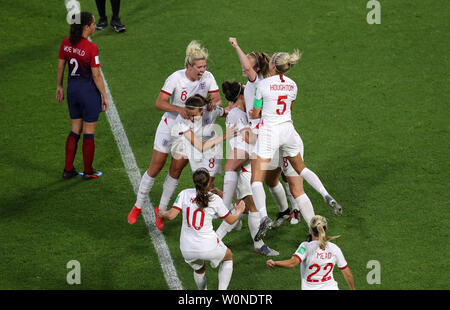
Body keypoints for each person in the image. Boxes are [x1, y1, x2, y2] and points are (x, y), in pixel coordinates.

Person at [127, 40, 222, 230]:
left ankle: (161, 210)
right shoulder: (176, 78)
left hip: (189, 129)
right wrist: (179, 109)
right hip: (171, 124)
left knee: (176, 170)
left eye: (204, 66)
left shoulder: (208, 77)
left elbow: (217, 97)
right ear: (189, 65)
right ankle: (138, 205)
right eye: (199, 67)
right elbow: (159, 102)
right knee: (156, 166)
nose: (203, 70)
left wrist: (213, 103)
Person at [250, 49, 343, 240]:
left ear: (273, 65)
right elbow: (288, 108)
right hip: (289, 133)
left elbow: (255, 113)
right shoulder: (293, 85)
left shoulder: (263, 84)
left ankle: (263, 217)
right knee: (301, 172)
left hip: (270, 133)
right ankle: (326, 195)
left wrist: (254, 112)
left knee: (256, 179)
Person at [215, 80, 280, 256]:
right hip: (243, 168)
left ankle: (219, 237)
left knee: (246, 208)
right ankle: (219, 239)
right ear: (241, 96)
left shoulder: (239, 112)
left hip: (247, 165)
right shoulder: (236, 115)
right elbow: (250, 139)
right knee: (251, 209)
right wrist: (264, 130)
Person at [158, 168, 245, 290]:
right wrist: (239, 211)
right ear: (209, 181)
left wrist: (162, 214)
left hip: (187, 248)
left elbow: (171, 215)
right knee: (228, 257)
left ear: (194, 181)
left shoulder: (184, 193)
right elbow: (230, 220)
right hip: (208, 245)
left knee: (199, 269)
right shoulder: (214, 199)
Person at [57, 11, 109, 180]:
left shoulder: (66, 43)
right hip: (88, 94)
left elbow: (60, 66)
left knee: (74, 129)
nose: (95, 26)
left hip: (72, 92)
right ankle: (88, 171)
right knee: (88, 132)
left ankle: (68, 169)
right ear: (86, 27)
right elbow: (96, 75)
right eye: (93, 24)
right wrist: (105, 95)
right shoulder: (91, 48)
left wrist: (59, 86)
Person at [266, 215, 355, 290]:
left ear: (310, 230)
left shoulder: (305, 247)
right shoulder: (334, 248)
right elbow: (348, 274)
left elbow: (292, 263)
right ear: (326, 228)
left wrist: (275, 263)